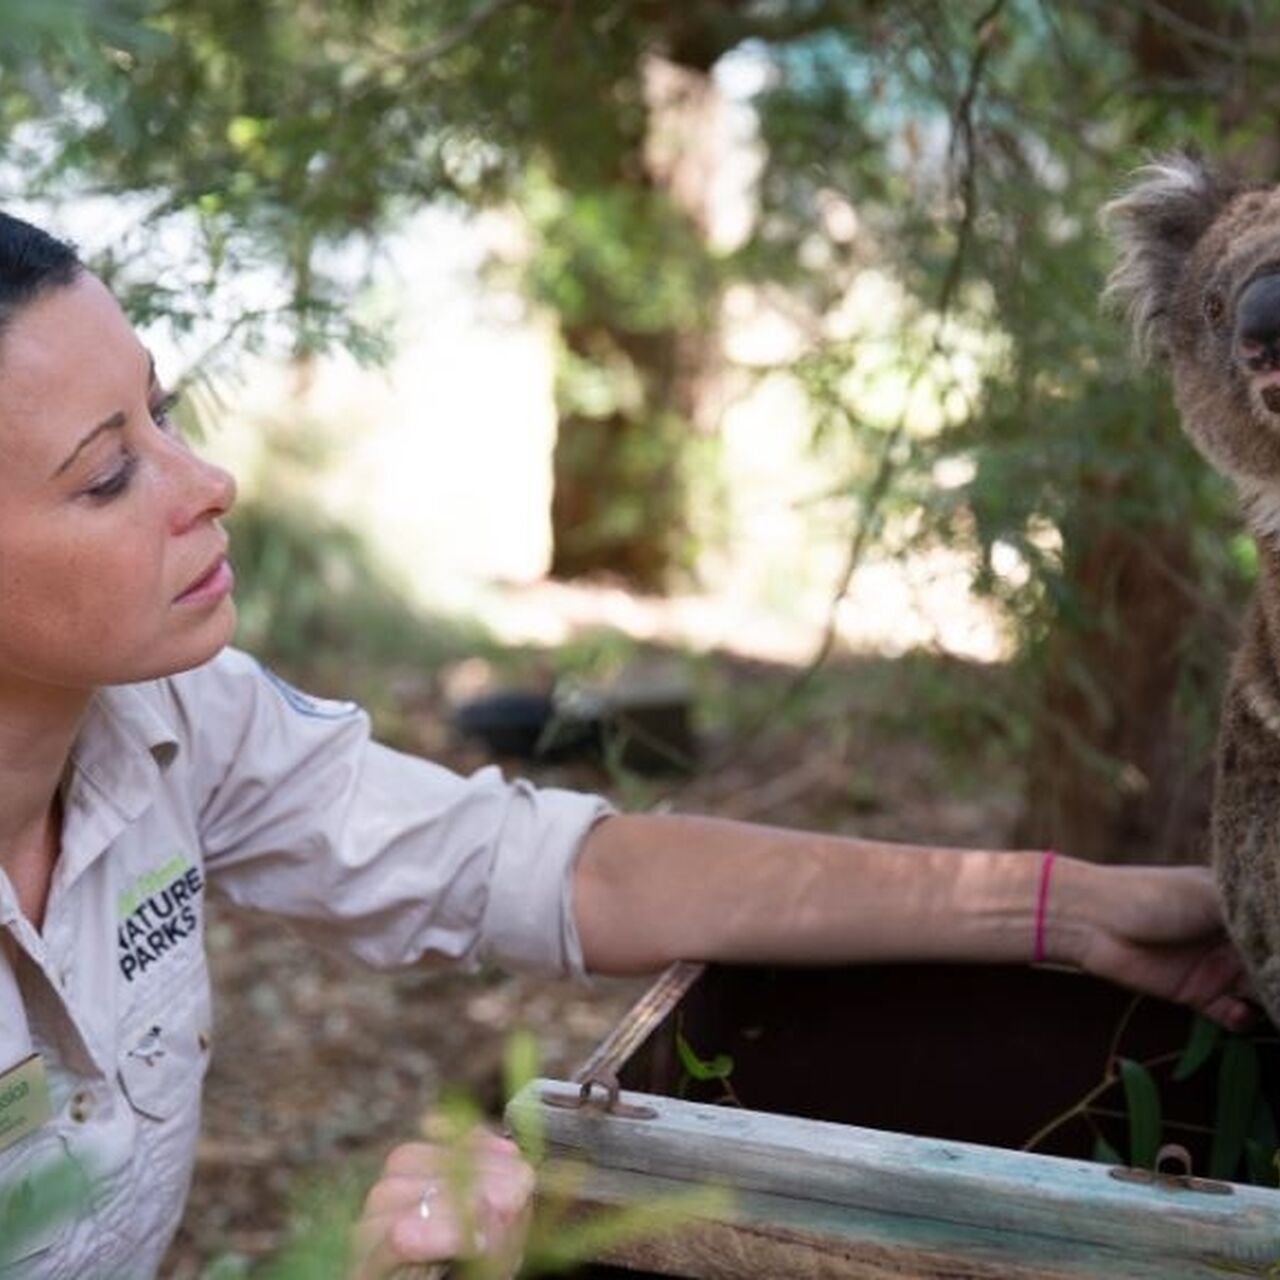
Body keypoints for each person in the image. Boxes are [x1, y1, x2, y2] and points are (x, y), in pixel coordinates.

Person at [0, 212, 1255, 1280]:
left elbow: (553, 868)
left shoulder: (178, 717)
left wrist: (1058, 908)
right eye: (108, 474)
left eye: (161, 413)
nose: (206, 480)